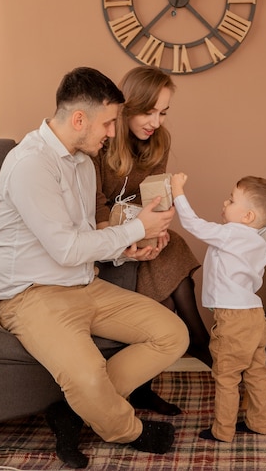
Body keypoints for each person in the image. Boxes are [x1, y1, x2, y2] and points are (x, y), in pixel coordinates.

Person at [0, 67, 189, 468]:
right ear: (79, 119)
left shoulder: (81, 160)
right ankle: (127, 429)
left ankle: (72, 412)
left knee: (172, 333)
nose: (114, 132)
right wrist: (135, 226)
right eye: (109, 122)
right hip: (32, 296)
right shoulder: (30, 164)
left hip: (84, 284)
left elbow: (84, 237)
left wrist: (128, 249)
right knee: (88, 375)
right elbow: (65, 249)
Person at [92, 66, 212, 415]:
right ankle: (200, 342)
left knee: (170, 245)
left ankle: (150, 382)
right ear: (128, 106)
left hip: (140, 230)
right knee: (167, 267)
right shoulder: (102, 142)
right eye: (149, 111)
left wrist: (156, 230)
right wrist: (122, 237)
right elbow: (97, 204)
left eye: (163, 112)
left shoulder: (159, 140)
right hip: (109, 237)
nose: (156, 122)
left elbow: (153, 196)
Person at [171, 172, 266, 443]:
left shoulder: (231, 234)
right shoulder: (260, 242)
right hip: (255, 317)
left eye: (231, 199)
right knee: (257, 373)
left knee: (226, 376)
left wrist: (178, 191)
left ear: (247, 216)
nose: (225, 203)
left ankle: (222, 430)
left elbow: (192, 223)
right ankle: (259, 423)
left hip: (233, 319)